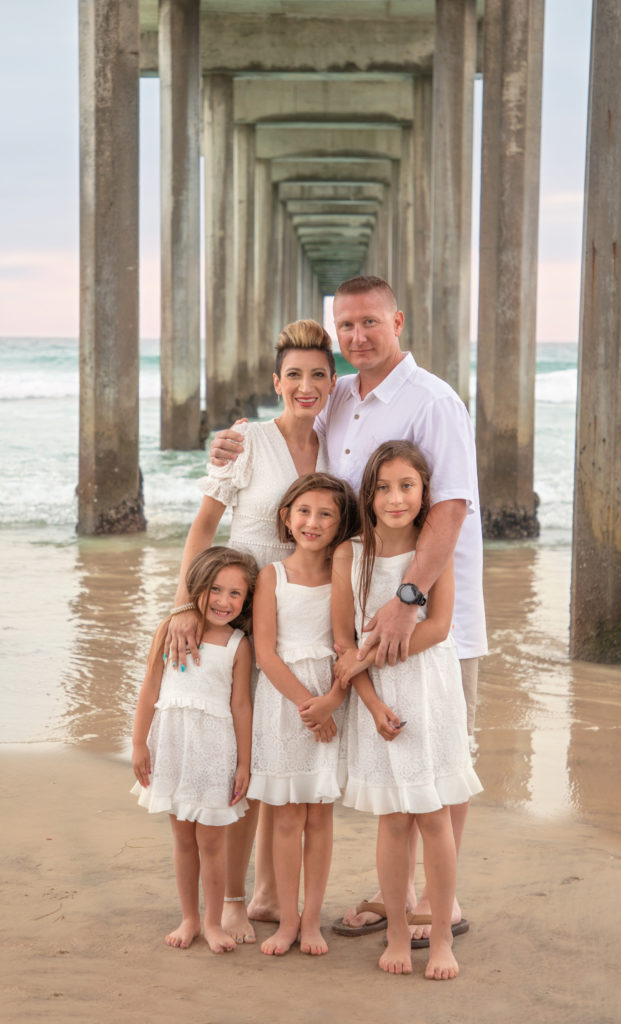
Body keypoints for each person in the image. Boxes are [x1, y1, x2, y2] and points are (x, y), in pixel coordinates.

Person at [210, 276, 487, 944]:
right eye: (347, 327)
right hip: (358, 604)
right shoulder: (338, 397)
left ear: (397, 320)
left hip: (424, 608)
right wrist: (229, 443)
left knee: (440, 753)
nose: (358, 336)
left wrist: (407, 602)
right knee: (388, 754)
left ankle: (435, 904)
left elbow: (448, 505)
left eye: (370, 323)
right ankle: (399, 892)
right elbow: (288, 422)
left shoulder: (431, 400)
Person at [164, 319, 337, 944]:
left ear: (333, 381)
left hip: (304, 616)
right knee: (236, 752)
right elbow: (203, 526)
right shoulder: (246, 441)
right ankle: (231, 899)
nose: (306, 385)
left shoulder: (341, 444)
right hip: (240, 612)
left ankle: (269, 892)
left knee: (278, 751)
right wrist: (185, 605)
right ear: (276, 382)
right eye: (294, 374)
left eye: (319, 373)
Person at [333, 442, 482, 979]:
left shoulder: (430, 550)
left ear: (425, 494)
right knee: (393, 820)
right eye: (383, 487)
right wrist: (368, 698)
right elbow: (341, 637)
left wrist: (365, 657)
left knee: (434, 815)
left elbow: (439, 627)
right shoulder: (350, 552)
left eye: (407, 486)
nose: (395, 498)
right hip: (377, 698)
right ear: (367, 494)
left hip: (428, 687)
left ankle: (441, 937)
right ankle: (397, 933)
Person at [248, 473, 359, 956]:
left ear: (340, 524)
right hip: (283, 704)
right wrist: (306, 707)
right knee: (287, 816)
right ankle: (287, 920)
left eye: (326, 514)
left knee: (320, 815)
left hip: (331, 695)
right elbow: (266, 654)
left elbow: (346, 644)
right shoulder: (271, 575)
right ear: (286, 518)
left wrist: (331, 700)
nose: (313, 522)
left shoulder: (344, 574)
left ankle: (312, 920)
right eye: (304, 512)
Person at [131, 546, 257, 953]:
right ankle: (189, 918)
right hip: (172, 747)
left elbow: (241, 704)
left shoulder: (239, 643)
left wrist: (244, 762)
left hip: (215, 753)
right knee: (183, 840)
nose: (224, 601)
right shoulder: (171, 628)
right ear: (197, 587)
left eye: (236, 594)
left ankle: (214, 921)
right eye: (216, 589)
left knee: (213, 843)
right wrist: (138, 744)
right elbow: (150, 686)